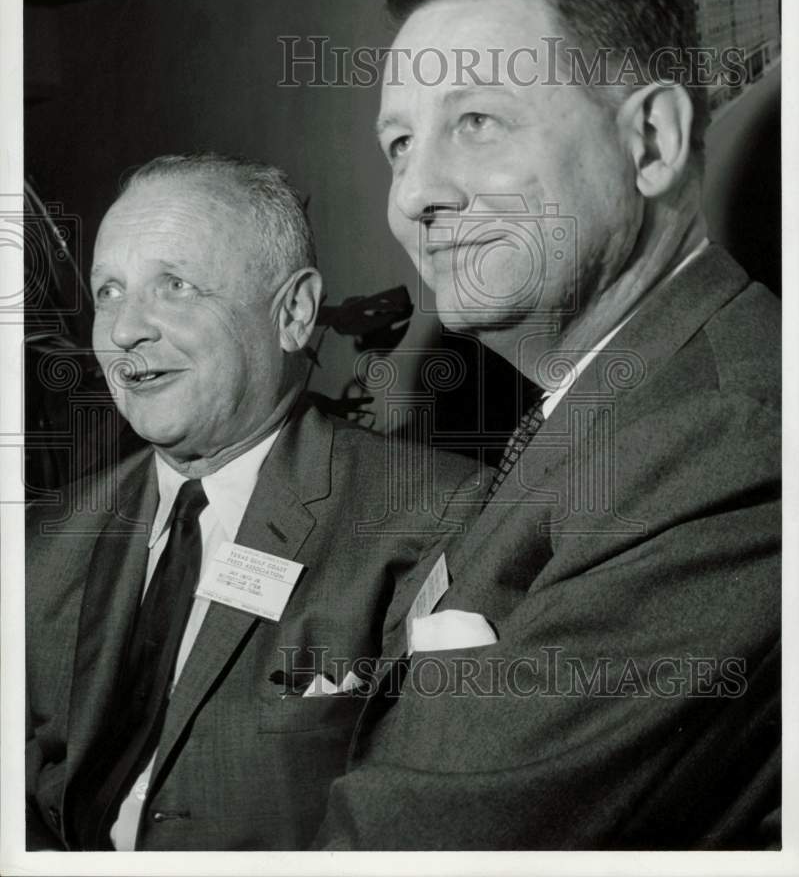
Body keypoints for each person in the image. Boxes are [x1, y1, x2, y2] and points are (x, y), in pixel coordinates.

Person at [315, 0, 781, 850]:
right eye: (400, 144)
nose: (414, 195)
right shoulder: (600, 390)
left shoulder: (732, 440)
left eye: (475, 122)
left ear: (651, 139)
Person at [25, 153, 480, 851]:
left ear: (293, 312)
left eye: (173, 285)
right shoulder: (45, 539)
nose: (123, 332)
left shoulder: (431, 519)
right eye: (109, 291)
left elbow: (428, 821)